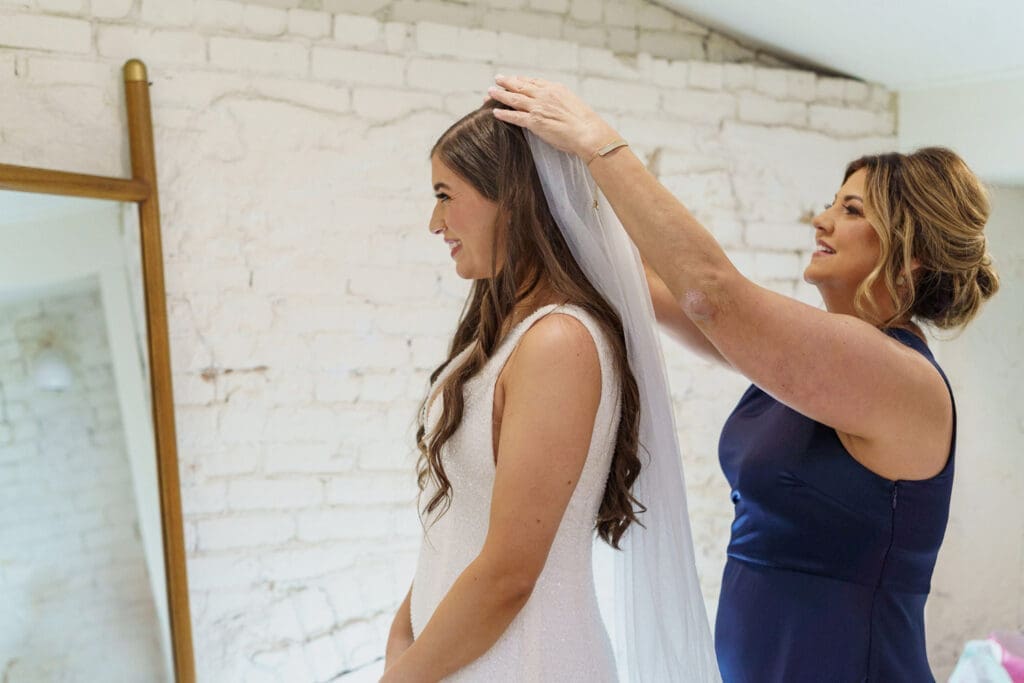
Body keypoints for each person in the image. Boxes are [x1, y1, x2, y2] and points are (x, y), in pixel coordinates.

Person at [488, 75, 999, 682]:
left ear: (911, 251)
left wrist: (596, 142)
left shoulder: (898, 377)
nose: (822, 220)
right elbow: (646, 283)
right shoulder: (815, 367)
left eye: (851, 210)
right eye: (832, 204)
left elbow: (711, 294)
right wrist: (555, 193)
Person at [381, 100, 718, 682]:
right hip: (456, 660)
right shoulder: (502, 334)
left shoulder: (559, 343)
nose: (435, 224)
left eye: (444, 195)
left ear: (508, 198)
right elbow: (459, 526)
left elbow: (510, 572)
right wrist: (402, 639)